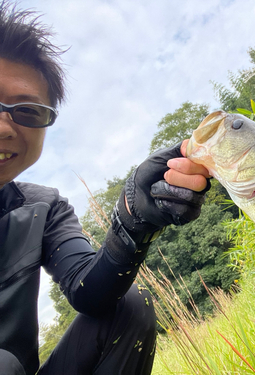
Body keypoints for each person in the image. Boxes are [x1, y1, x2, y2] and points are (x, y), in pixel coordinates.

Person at [0, 2, 211, 374]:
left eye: (28, 110)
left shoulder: (43, 207)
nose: (4, 127)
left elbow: (91, 293)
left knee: (130, 305)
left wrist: (133, 218)